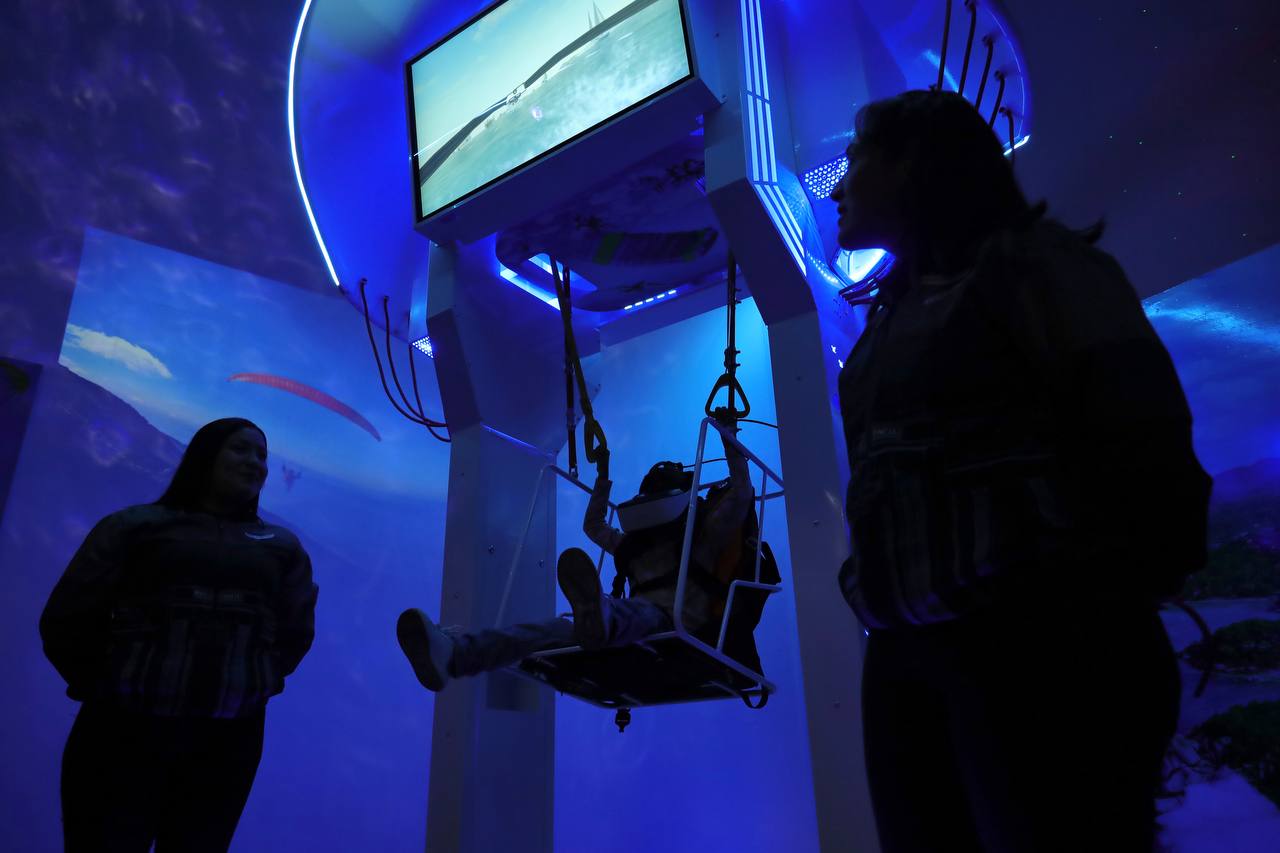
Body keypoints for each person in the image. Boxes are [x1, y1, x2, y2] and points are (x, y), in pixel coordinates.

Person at [829, 90, 1210, 852]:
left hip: (1040, 646)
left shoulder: (1038, 265)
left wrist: (1097, 617)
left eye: (857, 160)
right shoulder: (887, 317)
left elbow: (1147, 440)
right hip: (906, 658)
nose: (838, 187)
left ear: (912, 165)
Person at [40, 417, 319, 853]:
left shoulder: (283, 548)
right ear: (206, 456)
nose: (255, 462)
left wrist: (252, 687)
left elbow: (295, 633)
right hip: (121, 735)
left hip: (226, 746)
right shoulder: (134, 527)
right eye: (241, 449)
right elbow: (68, 616)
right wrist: (107, 687)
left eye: (262, 455)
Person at [396, 424, 754, 691]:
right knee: (549, 630)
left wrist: (729, 438)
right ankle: (455, 655)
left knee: (637, 613)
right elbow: (594, 526)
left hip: (674, 628)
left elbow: (740, 495)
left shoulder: (703, 536)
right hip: (628, 626)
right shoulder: (635, 546)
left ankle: (601, 616)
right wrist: (602, 476)